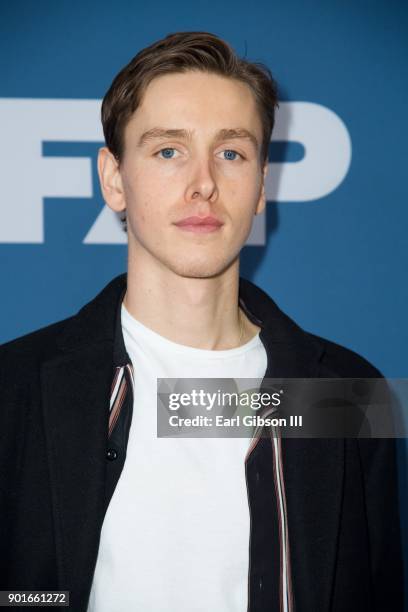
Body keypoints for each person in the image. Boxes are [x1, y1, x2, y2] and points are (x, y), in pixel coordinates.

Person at [0, 31, 403, 612]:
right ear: (114, 179)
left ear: (262, 185)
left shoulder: (345, 393)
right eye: (168, 150)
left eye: (232, 153)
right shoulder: (14, 387)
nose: (204, 184)